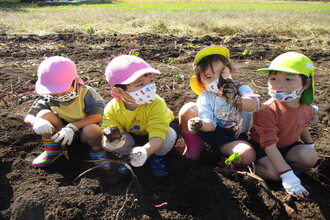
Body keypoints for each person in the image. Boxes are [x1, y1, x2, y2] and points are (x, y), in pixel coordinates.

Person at [249, 52, 318, 197]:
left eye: (288, 79)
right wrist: (288, 177)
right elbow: (269, 145)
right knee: (275, 175)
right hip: (263, 147)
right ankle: (246, 166)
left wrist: (310, 146)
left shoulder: (306, 106)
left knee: (310, 158)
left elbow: (303, 125)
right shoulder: (267, 110)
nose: (279, 84)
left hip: (287, 145)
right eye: (273, 78)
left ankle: (281, 166)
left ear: (306, 83)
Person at [178, 46, 259, 169]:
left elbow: (253, 106)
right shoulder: (206, 97)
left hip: (234, 137)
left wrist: (235, 99)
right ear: (201, 82)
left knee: (247, 155)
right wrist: (200, 124)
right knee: (189, 109)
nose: (218, 80)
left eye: (222, 73)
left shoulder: (241, 89)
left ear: (231, 72)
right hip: (212, 133)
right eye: (209, 77)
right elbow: (210, 123)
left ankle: (230, 161)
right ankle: (194, 147)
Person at [101, 55, 180, 177]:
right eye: (140, 84)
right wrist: (109, 143)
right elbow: (109, 133)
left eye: (151, 81)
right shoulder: (112, 109)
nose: (149, 87)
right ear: (118, 91)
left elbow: (158, 134)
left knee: (166, 140)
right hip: (135, 135)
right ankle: (133, 155)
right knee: (119, 143)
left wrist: (145, 151)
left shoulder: (156, 103)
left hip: (160, 132)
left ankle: (155, 156)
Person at [24, 56, 109, 169]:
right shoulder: (47, 97)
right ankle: (52, 150)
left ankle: (97, 151)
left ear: (74, 81)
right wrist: (36, 122)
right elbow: (29, 117)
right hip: (60, 134)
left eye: (62, 90)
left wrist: (72, 127)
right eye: (54, 93)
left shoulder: (87, 92)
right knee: (42, 115)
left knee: (92, 129)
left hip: (84, 132)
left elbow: (97, 116)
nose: (58, 95)